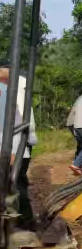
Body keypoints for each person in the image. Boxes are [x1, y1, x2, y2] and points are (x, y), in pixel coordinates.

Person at [0, 63, 38, 231]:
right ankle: (21, 220)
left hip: (13, 145)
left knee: (16, 183)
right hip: (14, 144)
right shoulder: (10, 90)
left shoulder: (14, 90)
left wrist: (15, 150)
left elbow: (20, 122)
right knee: (14, 183)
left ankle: (26, 222)